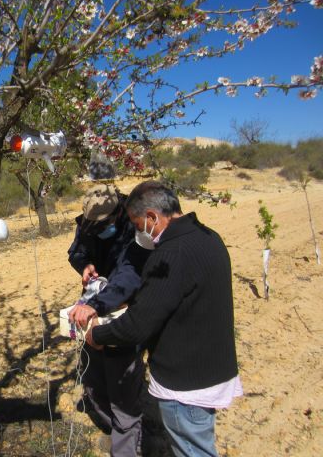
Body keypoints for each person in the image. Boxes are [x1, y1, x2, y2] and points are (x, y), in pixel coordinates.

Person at [86, 181, 243, 457]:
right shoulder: (208, 237)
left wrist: (97, 335)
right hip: (210, 368)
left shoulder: (170, 254)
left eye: (138, 225)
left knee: (193, 450)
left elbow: (138, 325)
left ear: (151, 217)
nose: (138, 232)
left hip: (186, 383)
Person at [67, 184, 150, 457]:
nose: (100, 229)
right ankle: (112, 427)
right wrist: (85, 266)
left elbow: (129, 275)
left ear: (118, 213)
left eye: (105, 224)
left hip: (123, 310)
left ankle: (129, 442)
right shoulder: (88, 223)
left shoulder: (134, 228)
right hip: (93, 308)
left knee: (122, 380)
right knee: (93, 377)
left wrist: (95, 305)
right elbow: (76, 252)